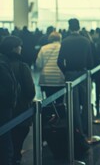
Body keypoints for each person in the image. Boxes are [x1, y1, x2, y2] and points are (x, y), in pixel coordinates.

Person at [0, 36, 35, 165]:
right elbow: (30, 91)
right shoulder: (22, 66)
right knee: (12, 147)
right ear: (14, 48)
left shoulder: (3, 62)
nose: (21, 48)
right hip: (20, 112)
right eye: (19, 46)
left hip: (5, 113)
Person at [57, 18, 93, 135]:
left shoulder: (65, 41)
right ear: (79, 26)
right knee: (86, 101)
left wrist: (66, 71)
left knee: (73, 104)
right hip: (83, 73)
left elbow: (59, 61)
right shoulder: (86, 41)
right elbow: (90, 61)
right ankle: (87, 127)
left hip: (70, 74)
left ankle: (77, 129)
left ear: (69, 27)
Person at [36, 31, 65, 99]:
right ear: (60, 38)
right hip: (59, 78)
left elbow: (39, 64)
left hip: (46, 79)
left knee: (48, 101)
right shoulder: (62, 48)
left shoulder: (43, 48)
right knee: (60, 101)